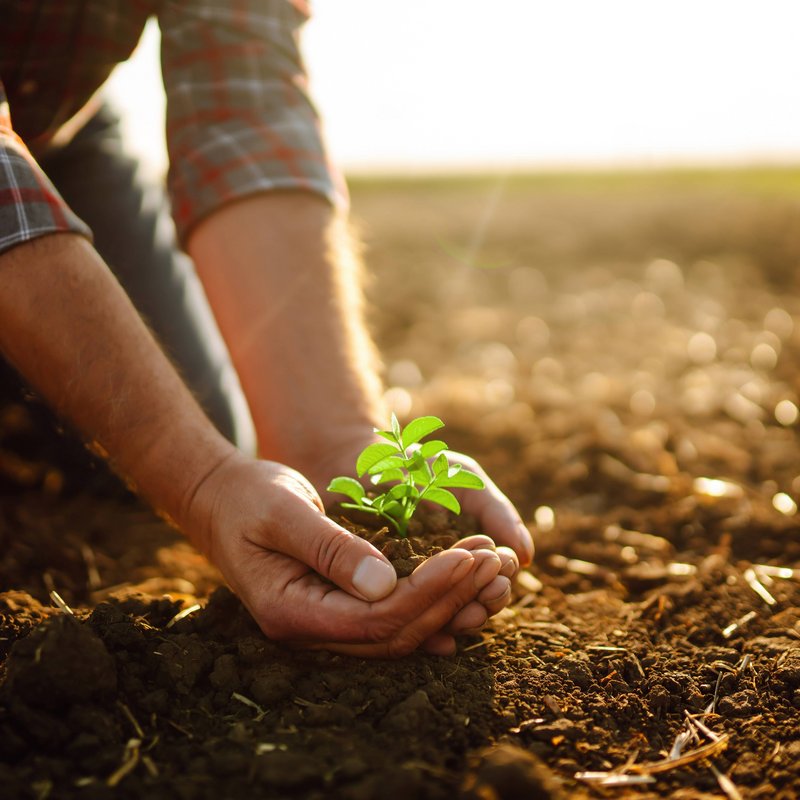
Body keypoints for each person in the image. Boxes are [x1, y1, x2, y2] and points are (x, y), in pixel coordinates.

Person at [0, 1, 533, 657]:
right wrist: (200, 483)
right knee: (170, 451)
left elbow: (243, 109)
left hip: (60, 132)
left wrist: (330, 437)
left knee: (190, 434)